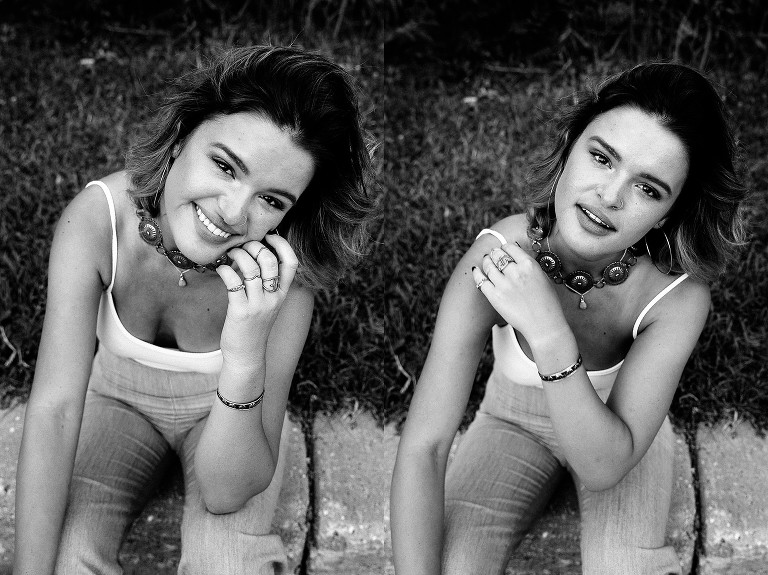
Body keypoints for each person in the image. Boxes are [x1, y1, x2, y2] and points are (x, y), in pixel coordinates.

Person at [15, 45, 375, 575]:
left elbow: (227, 491)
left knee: (228, 563)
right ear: (183, 133)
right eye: (225, 166)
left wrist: (246, 351)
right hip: (116, 402)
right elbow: (55, 412)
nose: (233, 212)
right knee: (67, 554)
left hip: (230, 417)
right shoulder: (97, 222)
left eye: (272, 200)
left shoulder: (283, 283)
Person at [391, 62, 747, 575]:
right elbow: (424, 447)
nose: (610, 196)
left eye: (648, 189)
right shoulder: (498, 258)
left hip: (621, 435)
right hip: (510, 421)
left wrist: (548, 331)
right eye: (602, 158)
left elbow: (604, 465)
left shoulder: (676, 297)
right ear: (570, 144)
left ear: (667, 213)